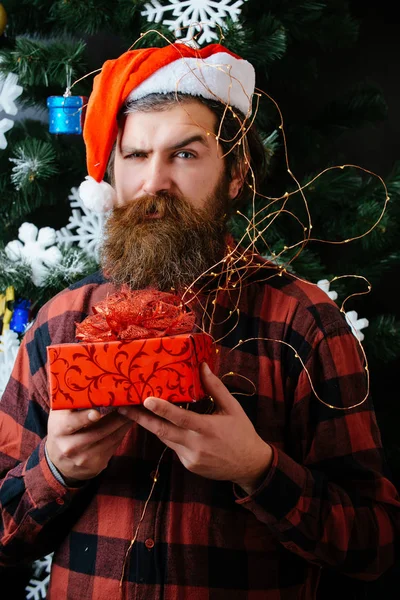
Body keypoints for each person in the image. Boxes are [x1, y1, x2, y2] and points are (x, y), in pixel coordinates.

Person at [0, 41, 399, 600]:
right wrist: (58, 469)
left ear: (235, 174)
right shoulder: (61, 323)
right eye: (136, 156)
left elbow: (375, 545)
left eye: (184, 154)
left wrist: (258, 469)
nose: (154, 182)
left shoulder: (304, 323)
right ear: (112, 171)